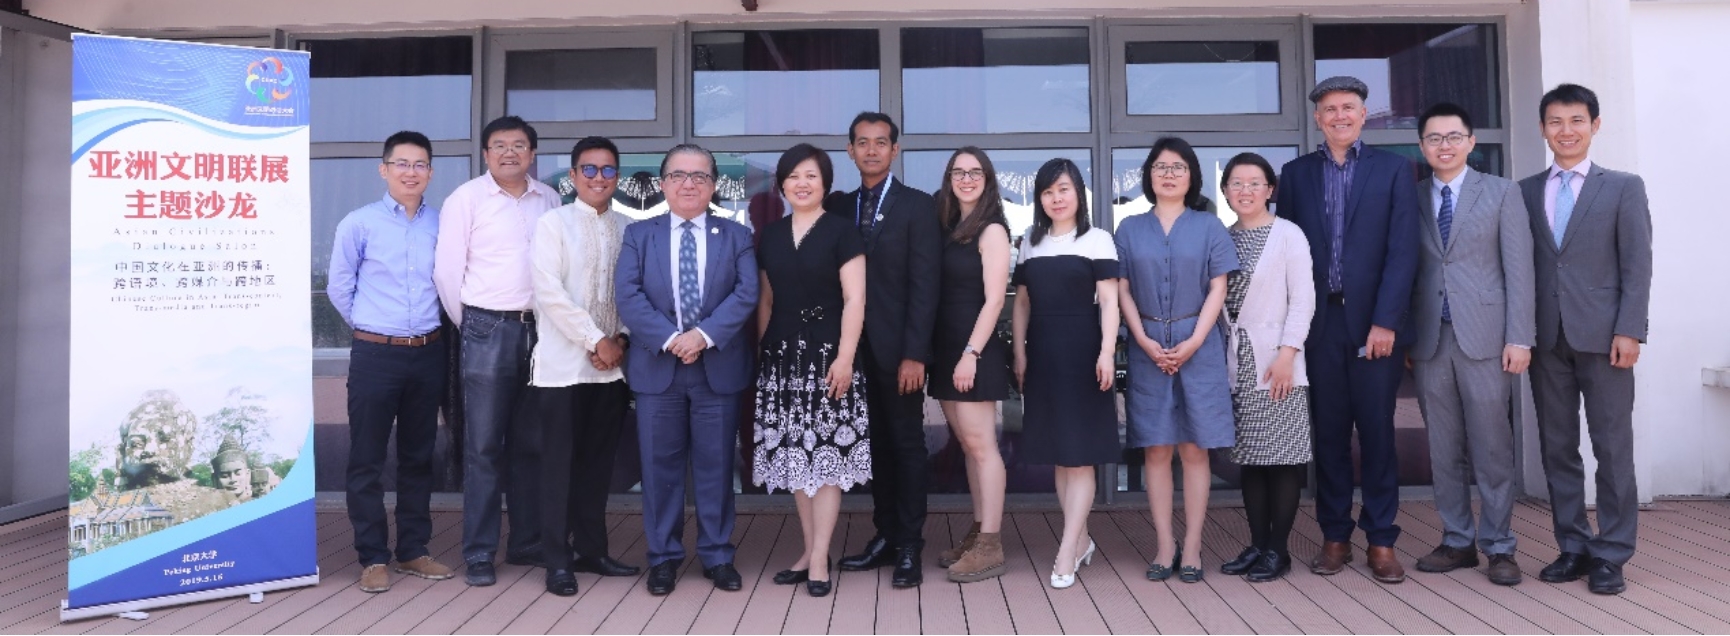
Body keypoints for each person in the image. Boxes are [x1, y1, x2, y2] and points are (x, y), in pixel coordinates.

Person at [1276, 76, 1420, 584]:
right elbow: (1286, 254)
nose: (1340, 116)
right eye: (1331, 109)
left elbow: (1403, 251)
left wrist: (1386, 321)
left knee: (1378, 433)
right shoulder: (1295, 175)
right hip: (1319, 324)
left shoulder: (1394, 170)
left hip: (1374, 324)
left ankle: (1381, 539)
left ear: (1363, 114)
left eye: (1349, 107)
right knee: (1330, 433)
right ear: (1318, 118)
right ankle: (1335, 535)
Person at [1521, 83, 1652, 596]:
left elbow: (1637, 265)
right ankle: (1573, 546)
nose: (1566, 130)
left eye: (1576, 120)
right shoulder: (1525, 191)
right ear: (1542, 128)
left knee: (1612, 448)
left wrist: (1630, 329)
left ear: (1595, 125)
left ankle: (1612, 553)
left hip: (1605, 339)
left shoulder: (1622, 187)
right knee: (1558, 448)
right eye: (1555, 121)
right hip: (1546, 339)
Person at [615, 143, 760, 597]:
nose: (689, 184)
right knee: (660, 469)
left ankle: (717, 555)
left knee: (716, 467)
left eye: (700, 176)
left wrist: (702, 336)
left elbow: (746, 293)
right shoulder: (639, 235)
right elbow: (628, 295)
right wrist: (672, 339)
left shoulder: (736, 235)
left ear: (714, 185)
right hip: (659, 368)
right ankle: (663, 557)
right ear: (663, 184)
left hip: (717, 367)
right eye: (678, 175)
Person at [1407, 103, 1536, 587]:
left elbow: (1519, 271)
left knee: (1492, 446)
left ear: (1471, 142)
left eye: (1453, 137)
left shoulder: (1502, 192)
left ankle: (1499, 545)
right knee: (1443, 448)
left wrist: (1519, 336)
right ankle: (1457, 539)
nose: (1444, 145)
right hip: (1430, 338)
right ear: (1422, 146)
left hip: (1487, 337)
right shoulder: (1411, 196)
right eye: (1434, 138)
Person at [435, 116, 562, 587]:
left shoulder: (549, 199)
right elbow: (447, 273)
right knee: (484, 446)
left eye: (519, 145)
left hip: (542, 331)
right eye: (500, 145)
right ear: (486, 154)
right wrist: (473, 325)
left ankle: (527, 541)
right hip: (487, 326)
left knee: (532, 443)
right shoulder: (466, 199)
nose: (510, 152)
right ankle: (480, 551)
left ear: (533, 153)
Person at [328, 130, 455, 593]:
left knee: (418, 456)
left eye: (420, 164)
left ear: (430, 173)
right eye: (401, 163)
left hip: (428, 352)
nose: (410, 172)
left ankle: (413, 550)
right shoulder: (358, 223)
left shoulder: (441, 223)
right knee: (367, 458)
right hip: (375, 354)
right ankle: (373, 556)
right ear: (384, 170)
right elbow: (339, 287)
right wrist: (372, 327)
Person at [1116, 138, 1238, 584]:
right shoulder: (1129, 228)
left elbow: (1219, 287)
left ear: (1192, 176)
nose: (1169, 174)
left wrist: (1194, 341)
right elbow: (1121, 289)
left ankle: (1193, 546)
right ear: (1148, 176)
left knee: (1194, 448)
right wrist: (1143, 340)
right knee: (1156, 448)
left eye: (1178, 167)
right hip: (1147, 346)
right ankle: (1164, 544)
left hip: (1199, 348)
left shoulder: (1209, 226)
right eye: (1161, 167)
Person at [828, 113, 942, 588]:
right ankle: (886, 536)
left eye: (880, 143)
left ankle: (910, 544)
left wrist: (916, 353)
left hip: (899, 354)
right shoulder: (839, 207)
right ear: (850, 150)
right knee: (873, 446)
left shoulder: (918, 206)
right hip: (851, 353)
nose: (871, 150)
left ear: (895, 150)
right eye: (862, 143)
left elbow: (926, 285)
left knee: (906, 445)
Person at [753, 144, 871, 598]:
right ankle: (808, 551)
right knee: (795, 459)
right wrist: (763, 352)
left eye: (811, 176)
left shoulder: (842, 231)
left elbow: (855, 299)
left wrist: (845, 357)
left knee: (826, 460)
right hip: (783, 360)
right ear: (782, 184)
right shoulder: (770, 235)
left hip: (828, 358)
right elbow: (766, 300)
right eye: (793, 176)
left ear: (825, 183)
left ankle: (820, 556)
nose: (802, 184)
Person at [529, 137, 640, 597]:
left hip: (610, 371)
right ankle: (557, 560)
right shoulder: (552, 223)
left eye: (607, 170)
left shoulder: (629, 229)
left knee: (597, 466)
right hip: (562, 369)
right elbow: (548, 293)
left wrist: (620, 341)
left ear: (618, 177)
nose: (598, 178)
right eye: (588, 169)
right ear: (573, 176)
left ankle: (592, 550)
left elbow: (636, 294)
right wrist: (596, 340)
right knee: (558, 468)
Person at [1012, 157, 1122, 590]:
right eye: (1047, 191)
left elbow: (1110, 302)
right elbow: (1021, 303)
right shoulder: (1030, 241)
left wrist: (1108, 352)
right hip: (1042, 353)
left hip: (1083, 352)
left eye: (1063, 189)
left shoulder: (1098, 239)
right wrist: (1019, 353)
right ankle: (1081, 540)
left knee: (1079, 455)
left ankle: (1066, 550)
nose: (1056, 198)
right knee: (1060, 454)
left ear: (1079, 193)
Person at [1213, 152, 1315, 584]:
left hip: (1278, 360)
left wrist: (1288, 354)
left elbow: (1303, 299)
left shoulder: (1288, 234)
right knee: (1251, 459)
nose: (1246, 191)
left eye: (1255, 183)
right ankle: (1257, 544)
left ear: (1270, 190)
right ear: (1225, 191)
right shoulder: (1222, 238)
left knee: (1282, 457)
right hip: (1237, 360)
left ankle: (1278, 550)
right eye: (1237, 183)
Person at [926, 147, 1012, 584]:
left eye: (975, 172)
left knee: (982, 446)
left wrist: (970, 354)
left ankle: (991, 545)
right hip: (946, 350)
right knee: (968, 446)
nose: (966, 178)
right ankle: (979, 533)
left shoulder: (991, 229)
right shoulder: (947, 228)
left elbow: (995, 300)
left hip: (973, 353)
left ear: (987, 179)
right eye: (958, 172)